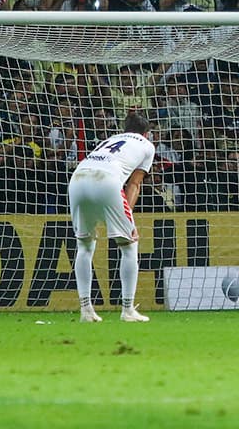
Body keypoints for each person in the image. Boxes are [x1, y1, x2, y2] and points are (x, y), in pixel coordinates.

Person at [67, 112, 156, 323]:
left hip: (78, 180)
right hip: (106, 181)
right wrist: (127, 216)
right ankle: (127, 310)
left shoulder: (111, 139)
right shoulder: (147, 145)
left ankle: (86, 310)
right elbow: (134, 183)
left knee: (85, 246)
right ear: (146, 133)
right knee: (129, 244)